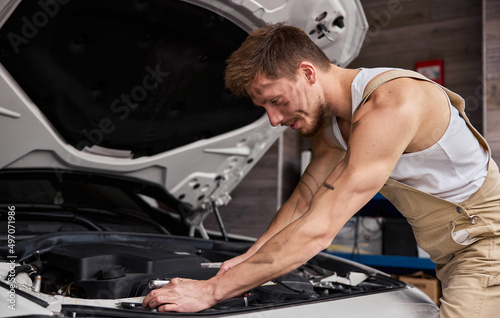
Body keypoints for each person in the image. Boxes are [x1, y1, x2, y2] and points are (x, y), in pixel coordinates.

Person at [143, 23, 500, 317]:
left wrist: (211, 292)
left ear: (308, 73)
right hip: (450, 250)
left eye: (277, 101)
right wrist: (242, 264)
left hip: (487, 245)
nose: (274, 119)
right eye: (265, 106)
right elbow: (303, 203)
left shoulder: (392, 105)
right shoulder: (333, 126)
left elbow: (318, 230)